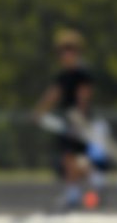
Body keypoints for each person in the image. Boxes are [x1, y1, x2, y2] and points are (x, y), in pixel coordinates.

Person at [33, 29, 104, 210]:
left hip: (80, 122)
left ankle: (91, 180)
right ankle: (76, 191)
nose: (66, 54)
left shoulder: (82, 74)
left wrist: (79, 121)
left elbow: (83, 98)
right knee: (69, 158)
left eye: (70, 50)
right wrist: (39, 111)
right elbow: (53, 94)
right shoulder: (63, 76)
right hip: (67, 122)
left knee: (75, 158)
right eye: (63, 51)